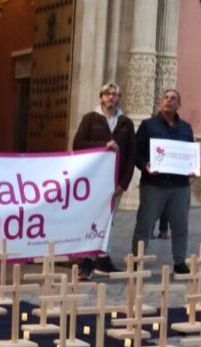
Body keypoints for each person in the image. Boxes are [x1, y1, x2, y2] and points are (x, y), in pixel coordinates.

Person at [72, 82, 136, 280]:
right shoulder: (90, 119)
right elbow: (78, 144)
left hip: (114, 182)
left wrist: (123, 184)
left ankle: (103, 257)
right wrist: (104, 145)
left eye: (115, 94)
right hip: (93, 182)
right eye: (107, 94)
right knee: (92, 219)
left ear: (119, 99)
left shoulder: (126, 123)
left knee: (109, 220)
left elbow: (131, 155)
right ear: (101, 97)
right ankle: (88, 259)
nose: (111, 97)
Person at [131, 89, 195, 274]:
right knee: (145, 223)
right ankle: (138, 258)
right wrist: (145, 166)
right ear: (161, 102)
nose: (169, 101)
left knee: (180, 224)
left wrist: (192, 167)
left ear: (179, 105)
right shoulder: (148, 126)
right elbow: (136, 152)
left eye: (173, 98)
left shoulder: (186, 128)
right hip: (154, 184)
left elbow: (190, 153)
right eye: (166, 98)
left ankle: (179, 261)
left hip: (180, 185)